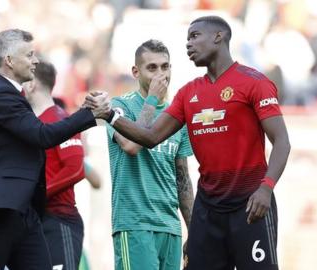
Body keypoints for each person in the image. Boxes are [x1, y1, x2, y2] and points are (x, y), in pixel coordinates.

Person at [89, 16, 290, 270]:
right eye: (187, 39)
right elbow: (149, 137)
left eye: (194, 36)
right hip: (208, 210)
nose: (188, 45)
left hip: (249, 203)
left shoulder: (254, 82)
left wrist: (266, 188)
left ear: (218, 37)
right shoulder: (188, 94)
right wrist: (109, 115)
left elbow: (282, 140)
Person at [0, 29, 109, 270]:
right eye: (29, 54)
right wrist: (90, 113)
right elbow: (41, 135)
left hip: (23, 211)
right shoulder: (0, 94)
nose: (36, 60)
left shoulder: (11, 94)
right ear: (9, 60)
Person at [106, 40, 194, 270]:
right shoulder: (119, 107)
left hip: (170, 226)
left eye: (165, 67)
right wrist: (152, 100)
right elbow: (131, 146)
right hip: (134, 223)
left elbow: (182, 178)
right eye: (152, 68)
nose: (161, 74)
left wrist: (194, 232)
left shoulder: (177, 115)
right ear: (136, 72)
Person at [23, 61, 88, 270]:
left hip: (59, 220)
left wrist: (38, 195)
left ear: (31, 83)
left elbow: (76, 169)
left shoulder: (60, 120)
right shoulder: (31, 123)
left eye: (22, 81)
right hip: (33, 221)